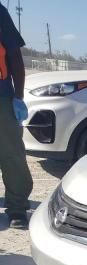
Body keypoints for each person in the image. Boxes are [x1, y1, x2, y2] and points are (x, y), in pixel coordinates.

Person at [0, 4, 31, 229]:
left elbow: (14, 56)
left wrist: (17, 97)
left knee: (11, 152)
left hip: (1, 95)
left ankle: (17, 208)